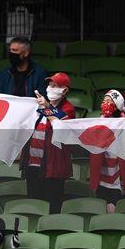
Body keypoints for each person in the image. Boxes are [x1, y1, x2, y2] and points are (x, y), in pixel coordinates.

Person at [19, 72, 75, 214]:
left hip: (53, 166)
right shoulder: (37, 105)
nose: (51, 88)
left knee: (52, 205)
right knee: (34, 203)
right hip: (33, 163)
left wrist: (46, 107)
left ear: (65, 90)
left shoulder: (68, 109)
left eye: (55, 86)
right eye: (50, 84)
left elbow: (60, 126)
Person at [90, 90, 125, 212]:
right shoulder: (97, 121)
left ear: (117, 105)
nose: (105, 103)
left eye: (109, 101)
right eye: (104, 101)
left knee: (116, 210)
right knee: (101, 210)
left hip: (119, 176)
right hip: (102, 176)